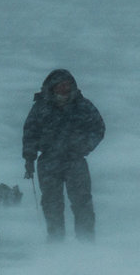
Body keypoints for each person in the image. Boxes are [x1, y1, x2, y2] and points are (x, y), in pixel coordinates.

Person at [22, 68, 105, 241]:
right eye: (60, 86)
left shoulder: (83, 105)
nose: (64, 89)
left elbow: (98, 128)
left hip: (75, 161)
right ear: (52, 87)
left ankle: (86, 242)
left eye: (67, 85)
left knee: (82, 203)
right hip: (48, 162)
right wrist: (29, 158)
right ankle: (55, 241)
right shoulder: (41, 107)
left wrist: (84, 147)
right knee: (51, 204)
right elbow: (30, 133)